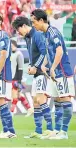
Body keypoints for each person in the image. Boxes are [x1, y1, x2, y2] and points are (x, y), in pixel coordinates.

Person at [31, 9, 74, 140]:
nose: (33, 25)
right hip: (54, 73)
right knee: (57, 101)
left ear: (41, 20)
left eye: (34, 22)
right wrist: (44, 64)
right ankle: (56, 130)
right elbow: (49, 53)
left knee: (65, 100)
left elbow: (59, 51)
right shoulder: (44, 34)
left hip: (62, 72)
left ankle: (64, 132)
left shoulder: (53, 32)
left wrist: (53, 68)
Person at [12, 16, 51, 139]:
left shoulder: (37, 35)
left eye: (18, 30)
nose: (18, 33)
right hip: (36, 73)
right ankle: (38, 130)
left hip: (43, 72)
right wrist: (30, 65)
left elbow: (44, 52)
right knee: (35, 102)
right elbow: (32, 55)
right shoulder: (28, 38)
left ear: (24, 26)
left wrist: (35, 66)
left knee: (41, 99)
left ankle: (50, 129)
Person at [9, 40, 33, 116]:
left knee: (14, 95)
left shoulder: (19, 54)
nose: (11, 47)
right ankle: (29, 109)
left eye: (12, 45)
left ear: (15, 46)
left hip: (16, 78)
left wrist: (19, 80)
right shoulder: (10, 54)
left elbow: (20, 68)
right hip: (12, 77)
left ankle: (11, 112)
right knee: (19, 95)